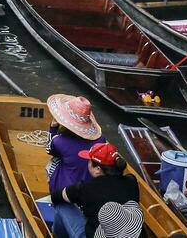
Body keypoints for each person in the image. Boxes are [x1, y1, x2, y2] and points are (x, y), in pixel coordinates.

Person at [46, 93, 107, 238]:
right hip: (91, 191)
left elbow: (49, 149)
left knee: (54, 164)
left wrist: (53, 128)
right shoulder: (101, 139)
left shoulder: (59, 141)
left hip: (67, 191)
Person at [51, 141, 141, 238]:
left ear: (98, 169)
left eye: (89, 161)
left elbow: (55, 197)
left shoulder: (84, 188)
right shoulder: (131, 180)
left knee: (62, 206)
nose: (88, 163)